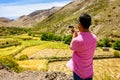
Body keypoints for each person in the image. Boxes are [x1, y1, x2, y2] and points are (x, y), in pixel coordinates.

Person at [66, 13, 97, 80]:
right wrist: (78, 35)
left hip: (79, 73)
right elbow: (85, 39)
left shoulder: (77, 40)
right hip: (89, 72)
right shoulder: (94, 38)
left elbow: (71, 47)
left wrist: (74, 35)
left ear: (79, 24)